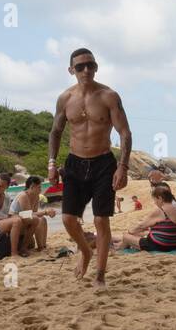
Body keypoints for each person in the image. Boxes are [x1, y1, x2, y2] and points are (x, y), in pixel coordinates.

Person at [47, 48, 132, 289]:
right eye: (80, 66)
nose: (86, 70)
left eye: (90, 65)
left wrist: (123, 167)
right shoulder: (65, 99)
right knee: (68, 219)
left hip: (103, 163)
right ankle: (85, 252)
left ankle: (100, 275)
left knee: (100, 221)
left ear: (96, 67)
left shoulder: (109, 96)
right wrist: (52, 164)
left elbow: (124, 132)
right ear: (71, 70)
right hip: (74, 162)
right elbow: (55, 132)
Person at [120, 185, 176, 251]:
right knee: (138, 234)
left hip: (160, 244)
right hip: (174, 243)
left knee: (126, 236)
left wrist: (130, 232)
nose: (155, 203)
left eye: (155, 200)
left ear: (160, 198)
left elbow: (141, 226)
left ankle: (119, 250)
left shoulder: (161, 210)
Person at [9, 175, 58, 254]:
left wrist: (46, 212)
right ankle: (40, 247)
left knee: (43, 219)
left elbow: (34, 213)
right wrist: (46, 212)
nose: (40, 189)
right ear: (32, 187)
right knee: (39, 219)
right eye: (39, 187)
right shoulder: (23, 196)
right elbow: (27, 213)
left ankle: (42, 246)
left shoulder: (36, 197)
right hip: (15, 218)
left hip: (25, 217)